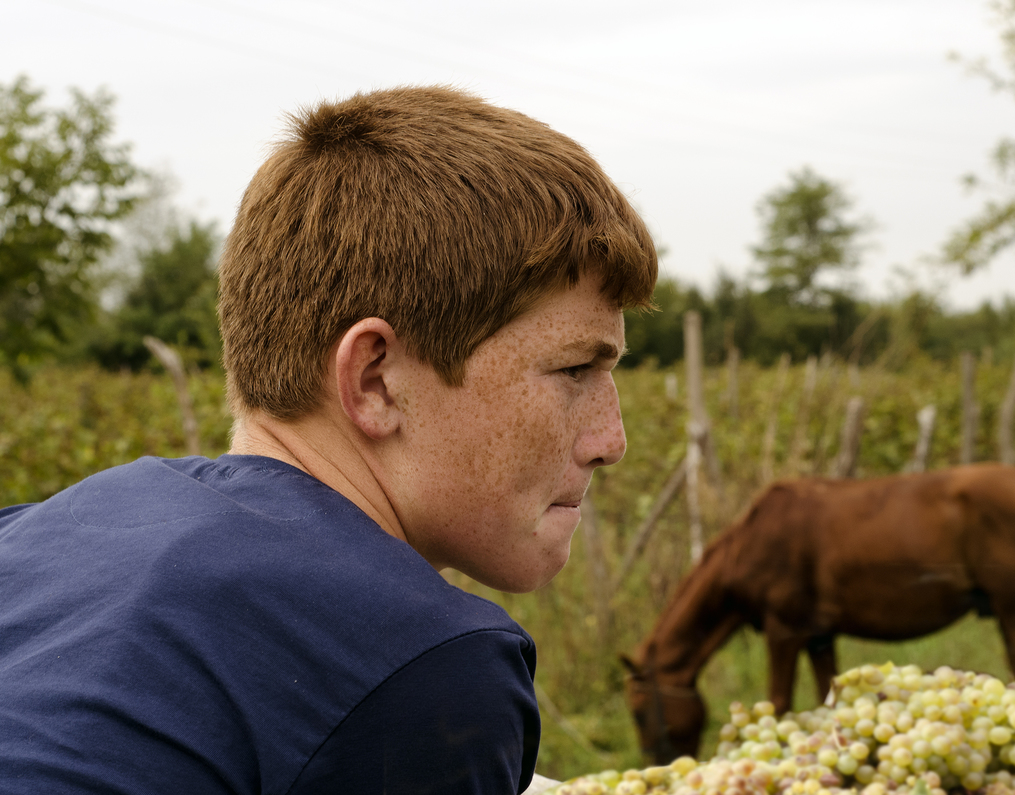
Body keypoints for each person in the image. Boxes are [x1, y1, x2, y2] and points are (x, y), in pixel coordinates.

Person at [0, 86, 657, 794]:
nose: (609, 439)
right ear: (375, 381)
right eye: (574, 367)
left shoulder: (33, 541)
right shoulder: (419, 670)